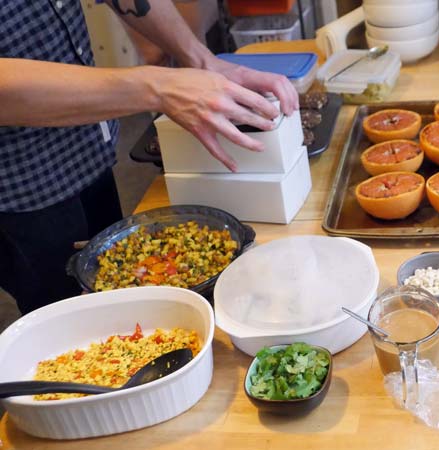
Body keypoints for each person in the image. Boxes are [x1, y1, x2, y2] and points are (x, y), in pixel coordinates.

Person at [0, 0, 299, 315]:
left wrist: (199, 59)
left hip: (85, 144)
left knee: (117, 289)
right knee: (67, 317)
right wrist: (158, 87)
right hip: (19, 185)